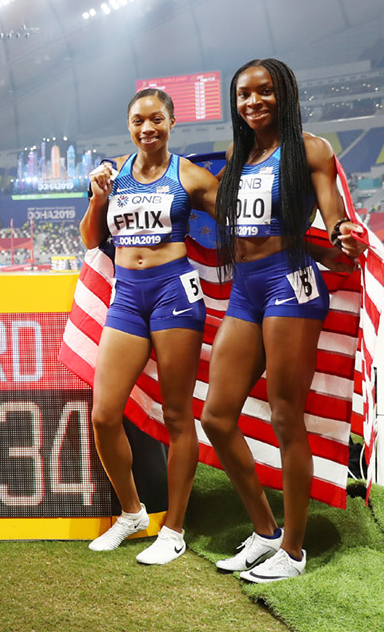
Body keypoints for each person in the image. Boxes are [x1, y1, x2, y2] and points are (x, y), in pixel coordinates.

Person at [200, 58, 364, 583]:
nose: (253, 103)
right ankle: (266, 532)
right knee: (217, 417)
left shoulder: (310, 150)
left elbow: (333, 214)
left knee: (286, 417)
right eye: (244, 95)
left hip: (290, 284)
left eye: (264, 92)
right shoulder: (237, 153)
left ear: (284, 94)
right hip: (245, 290)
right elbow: (209, 204)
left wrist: (343, 234)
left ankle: (293, 552)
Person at [79, 88, 218, 564]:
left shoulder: (191, 176)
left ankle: (173, 530)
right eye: (138, 121)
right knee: (104, 413)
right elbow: (91, 238)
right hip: (127, 296)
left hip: (174, 294)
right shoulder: (112, 173)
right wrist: (98, 199)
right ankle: (133, 512)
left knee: (178, 416)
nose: (147, 129)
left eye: (156, 119)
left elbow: (239, 225)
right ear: (129, 125)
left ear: (172, 122)